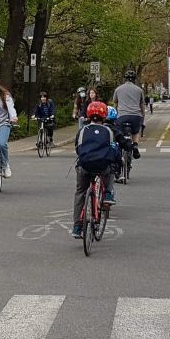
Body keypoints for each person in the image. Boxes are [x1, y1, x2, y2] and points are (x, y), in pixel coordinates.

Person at [72, 101, 118, 238]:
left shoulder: (82, 131)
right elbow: (113, 149)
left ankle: (77, 226)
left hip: (85, 166)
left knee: (80, 192)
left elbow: (77, 148)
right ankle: (108, 194)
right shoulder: (108, 131)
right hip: (102, 166)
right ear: (104, 116)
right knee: (110, 171)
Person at [110, 70, 145, 159]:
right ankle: (135, 145)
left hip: (122, 116)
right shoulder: (139, 90)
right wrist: (142, 120)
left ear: (125, 79)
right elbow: (142, 107)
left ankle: (118, 151)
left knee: (118, 133)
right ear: (134, 80)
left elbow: (115, 104)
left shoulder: (118, 89)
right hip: (136, 116)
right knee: (136, 132)